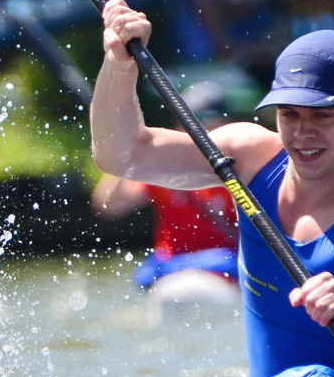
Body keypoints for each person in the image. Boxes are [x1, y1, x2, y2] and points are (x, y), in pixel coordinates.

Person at [91, 4, 334, 377]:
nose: (304, 133)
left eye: (324, 116)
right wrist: (119, 64)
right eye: (290, 115)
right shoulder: (248, 157)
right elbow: (122, 156)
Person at [90, 81, 240, 288]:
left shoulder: (240, 170)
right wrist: (126, 156)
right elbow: (108, 205)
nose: (203, 132)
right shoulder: (162, 169)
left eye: (211, 124)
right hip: (172, 265)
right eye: (195, 123)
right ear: (179, 126)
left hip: (226, 265)